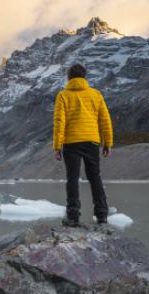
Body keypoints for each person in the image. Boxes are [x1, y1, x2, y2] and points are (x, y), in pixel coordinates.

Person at [53, 63, 113, 226]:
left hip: (71, 142)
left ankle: (73, 216)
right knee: (95, 177)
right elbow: (105, 120)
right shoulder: (96, 94)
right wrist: (107, 143)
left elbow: (60, 122)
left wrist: (57, 147)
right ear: (84, 76)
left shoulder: (63, 95)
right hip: (92, 141)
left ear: (69, 77)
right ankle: (102, 216)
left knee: (72, 178)